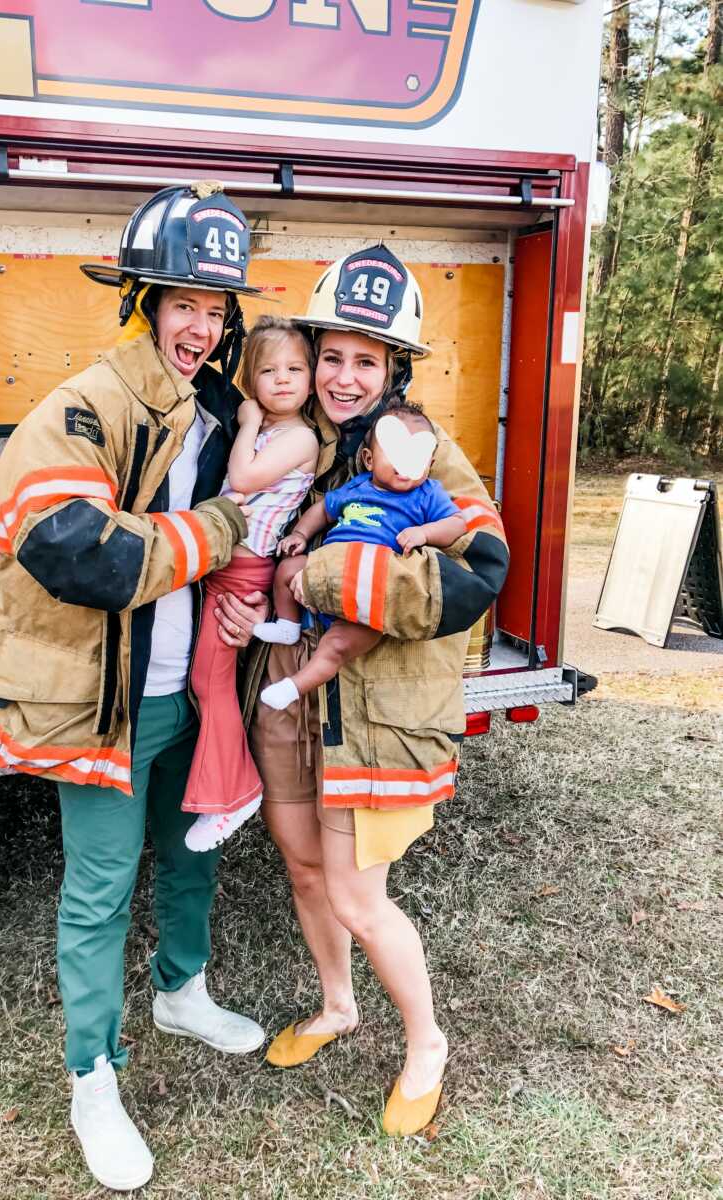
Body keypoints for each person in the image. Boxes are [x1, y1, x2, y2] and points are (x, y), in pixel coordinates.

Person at [0, 183, 272, 1192]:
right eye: (183, 300)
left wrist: (239, 595)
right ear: (141, 299)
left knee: (196, 848)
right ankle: (91, 1077)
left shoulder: (222, 407)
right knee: (99, 891)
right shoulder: (82, 407)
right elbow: (81, 554)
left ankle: (182, 990)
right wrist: (221, 531)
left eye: (216, 306)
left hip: (200, 686)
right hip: (112, 700)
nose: (201, 325)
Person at [244, 244, 509, 1137]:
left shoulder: (426, 452)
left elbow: (480, 567)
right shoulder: (305, 442)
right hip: (291, 697)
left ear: (394, 370)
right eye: (333, 356)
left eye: (367, 360)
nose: (345, 376)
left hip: (380, 720)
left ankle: (427, 1042)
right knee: (304, 866)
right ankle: (336, 1006)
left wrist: (324, 580)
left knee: (360, 896)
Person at [181, 316, 318, 851]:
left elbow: (242, 481)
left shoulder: (299, 436)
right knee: (205, 681)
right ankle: (225, 786)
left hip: (243, 572)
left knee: (208, 682)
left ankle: (234, 794)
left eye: (294, 369)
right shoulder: (267, 433)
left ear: (309, 378)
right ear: (250, 376)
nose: (282, 379)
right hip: (223, 568)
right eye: (267, 370)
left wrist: (246, 421)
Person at [255, 401, 466, 708]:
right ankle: (288, 626)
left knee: (335, 647)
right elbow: (323, 510)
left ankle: (293, 687)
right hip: (322, 573)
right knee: (287, 569)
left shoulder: (427, 494)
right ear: (368, 459)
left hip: (368, 599)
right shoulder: (357, 487)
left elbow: (457, 524)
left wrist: (425, 533)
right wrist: (300, 535)